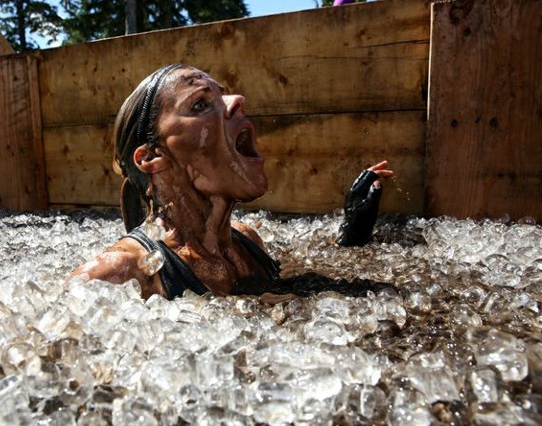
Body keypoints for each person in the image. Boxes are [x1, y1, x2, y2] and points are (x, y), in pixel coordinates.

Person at [70, 64, 393, 299]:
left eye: (223, 94)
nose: (237, 100)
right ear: (152, 157)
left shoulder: (248, 244)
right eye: (199, 104)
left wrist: (353, 237)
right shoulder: (119, 274)